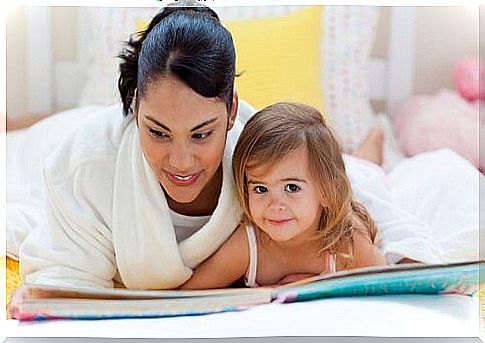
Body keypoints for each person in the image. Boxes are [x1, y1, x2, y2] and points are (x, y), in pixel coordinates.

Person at [10, 0, 444, 297]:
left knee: (358, 167)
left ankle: (370, 143)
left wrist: (407, 261)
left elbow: (351, 193)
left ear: (232, 110)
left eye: (202, 134)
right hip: (71, 131)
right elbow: (60, 283)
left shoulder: (259, 145)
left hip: (329, 160)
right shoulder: (87, 161)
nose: (181, 162)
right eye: (158, 132)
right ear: (136, 108)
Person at [180, 102, 388, 289]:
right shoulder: (250, 245)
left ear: (326, 192)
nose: (274, 205)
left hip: (356, 177)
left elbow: (387, 288)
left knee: (364, 168)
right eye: (260, 189)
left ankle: (372, 141)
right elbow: (192, 293)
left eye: (291, 188)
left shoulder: (346, 242)